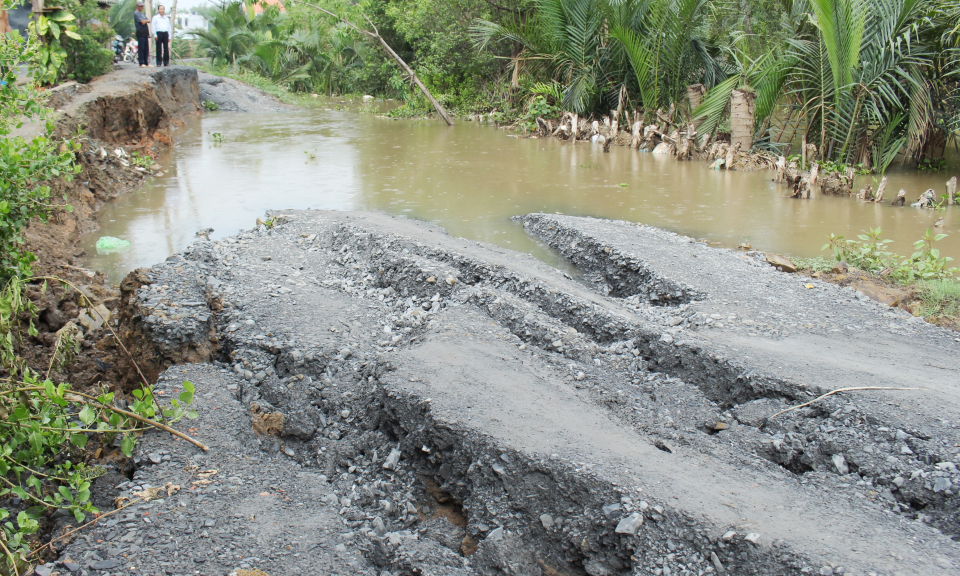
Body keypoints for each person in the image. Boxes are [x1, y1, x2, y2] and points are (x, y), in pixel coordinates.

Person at [133, 0, 150, 67]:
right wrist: (146, 21)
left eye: (142, 6)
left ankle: (146, 62)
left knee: (146, 48)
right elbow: (143, 21)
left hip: (145, 33)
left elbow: (148, 20)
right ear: (137, 6)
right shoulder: (136, 13)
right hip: (140, 33)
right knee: (141, 48)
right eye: (140, 6)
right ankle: (141, 63)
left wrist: (146, 21)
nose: (141, 7)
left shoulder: (142, 14)